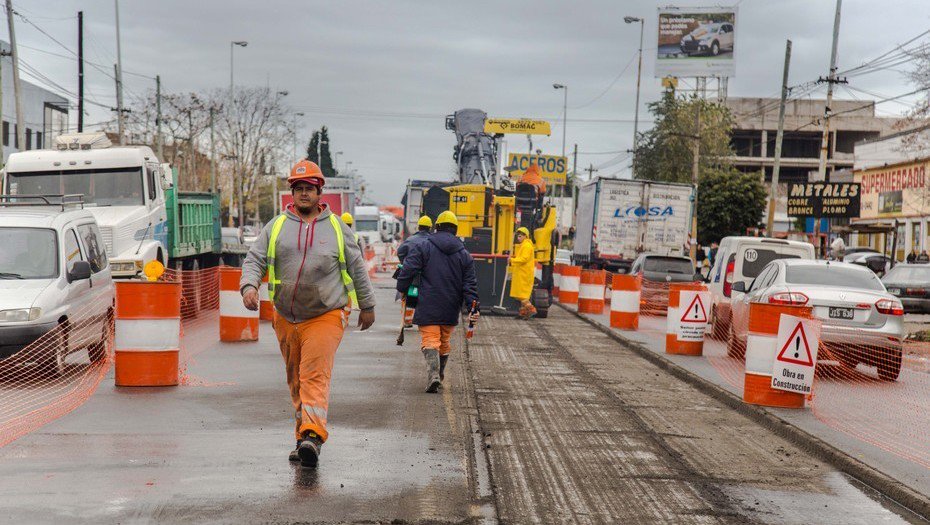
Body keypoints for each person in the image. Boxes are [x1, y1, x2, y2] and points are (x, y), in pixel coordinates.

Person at [240, 159, 376, 468]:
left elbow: (358, 269)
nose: (304, 194)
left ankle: (313, 436)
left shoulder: (338, 229)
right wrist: (248, 286)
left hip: (326, 313)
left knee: (313, 373)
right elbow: (254, 260)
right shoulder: (275, 227)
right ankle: (301, 437)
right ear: (291, 193)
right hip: (287, 315)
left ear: (319, 192)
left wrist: (368, 306)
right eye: (298, 189)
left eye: (309, 189)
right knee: (296, 380)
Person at [396, 211, 478, 393]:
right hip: (451, 305)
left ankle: (433, 375)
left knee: (430, 339)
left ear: (437, 227)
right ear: (455, 230)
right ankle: (439, 374)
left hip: (428, 302)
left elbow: (409, 268)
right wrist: (473, 304)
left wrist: (402, 286)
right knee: (444, 340)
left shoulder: (424, 246)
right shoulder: (464, 254)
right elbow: (469, 283)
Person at [509, 226, 536, 320]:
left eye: (520, 236)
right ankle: (524, 313)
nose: (518, 238)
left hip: (524, 274)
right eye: (518, 236)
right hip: (522, 273)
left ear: (525, 236)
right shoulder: (524, 245)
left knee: (521, 294)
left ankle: (530, 309)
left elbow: (524, 259)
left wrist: (512, 260)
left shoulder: (527, 246)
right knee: (521, 294)